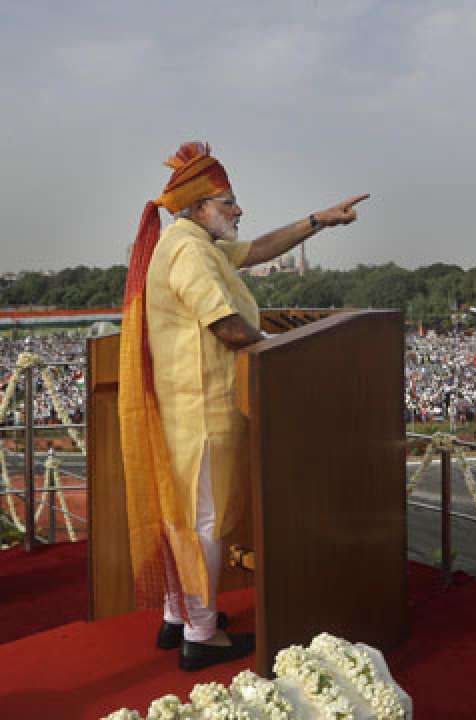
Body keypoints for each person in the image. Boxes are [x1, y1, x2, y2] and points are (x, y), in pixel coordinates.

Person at [119, 141, 368, 671]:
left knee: (189, 515)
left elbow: (254, 251)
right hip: (203, 411)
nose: (238, 210)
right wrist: (287, 358)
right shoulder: (189, 250)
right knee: (205, 520)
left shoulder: (193, 241)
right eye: (228, 201)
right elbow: (228, 327)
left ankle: (177, 613)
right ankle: (200, 633)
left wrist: (316, 221)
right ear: (199, 207)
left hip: (194, 408)